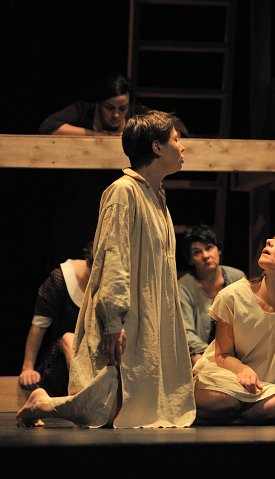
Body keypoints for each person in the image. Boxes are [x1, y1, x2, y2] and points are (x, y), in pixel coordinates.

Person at [17, 110, 196, 428]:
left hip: (149, 315)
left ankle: (47, 404)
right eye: (176, 140)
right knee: (107, 411)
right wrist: (114, 322)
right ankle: (45, 403)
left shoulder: (157, 196)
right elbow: (114, 259)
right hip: (126, 316)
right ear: (157, 147)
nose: (182, 147)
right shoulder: (123, 192)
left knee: (135, 408)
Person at [192, 227, 275, 425]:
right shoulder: (231, 296)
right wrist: (242, 370)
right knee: (222, 400)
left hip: (266, 388)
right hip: (226, 377)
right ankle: (243, 416)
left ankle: (224, 420)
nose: (269, 241)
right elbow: (222, 355)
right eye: (272, 238)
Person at [18, 241, 93, 397]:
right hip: (62, 365)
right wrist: (27, 368)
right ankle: (85, 396)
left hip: (96, 359)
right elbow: (39, 325)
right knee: (69, 338)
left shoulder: (113, 284)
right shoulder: (62, 278)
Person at [38, 72, 189, 137]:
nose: (116, 115)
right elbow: (48, 126)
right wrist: (95, 135)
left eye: (122, 108)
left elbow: (177, 127)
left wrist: (134, 135)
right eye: (109, 108)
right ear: (99, 103)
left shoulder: (136, 113)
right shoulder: (84, 110)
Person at [179, 225, 246, 365]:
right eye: (197, 252)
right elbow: (186, 331)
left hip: (236, 353)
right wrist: (213, 355)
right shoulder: (184, 286)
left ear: (218, 250)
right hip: (201, 353)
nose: (205, 256)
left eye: (209, 248)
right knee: (197, 361)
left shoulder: (238, 277)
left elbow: (247, 320)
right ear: (190, 259)